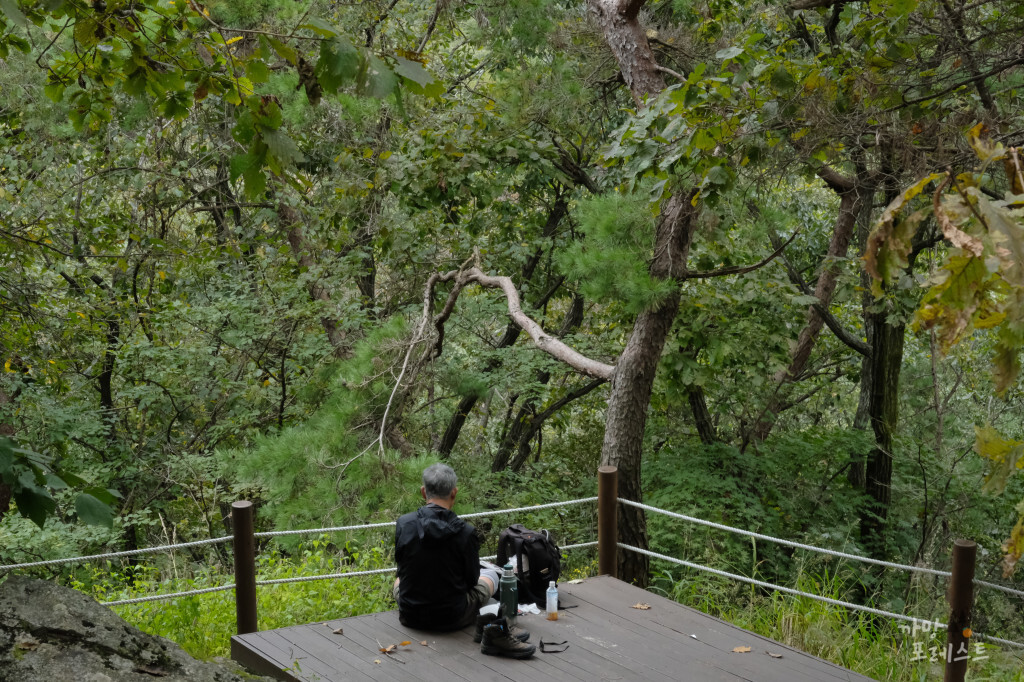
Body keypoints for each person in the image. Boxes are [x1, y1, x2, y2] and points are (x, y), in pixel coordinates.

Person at [393, 463, 534, 658]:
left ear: (423, 492)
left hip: (410, 615)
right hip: (452, 617)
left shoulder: (404, 523)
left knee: (398, 580)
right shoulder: (466, 532)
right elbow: (471, 581)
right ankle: (492, 622)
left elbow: (402, 568)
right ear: (454, 492)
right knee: (491, 575)